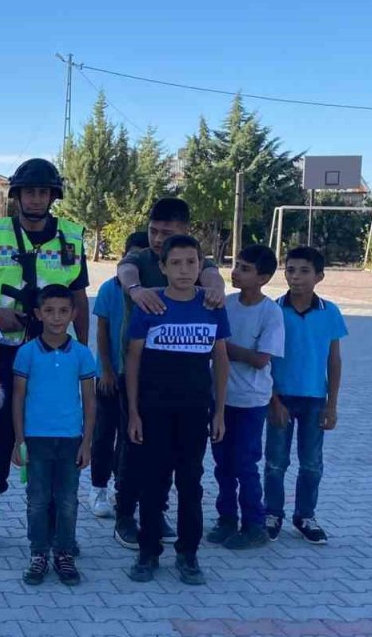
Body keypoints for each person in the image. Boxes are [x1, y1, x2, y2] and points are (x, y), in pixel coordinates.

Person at [0, 158, 89, 555]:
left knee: (53, 436)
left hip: (53, 356)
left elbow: (78, 298)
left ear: (53, 196)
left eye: (43, 191)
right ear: (17, 196)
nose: (36, 198)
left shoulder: (71, 238)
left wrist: (83, 351)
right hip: (2, 355)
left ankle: (55, 526)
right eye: (29, 191)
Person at [113, 197, 225, 549]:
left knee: (183, 470)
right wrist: (136, 290)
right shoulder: (144, 257)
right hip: (139, 374)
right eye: (154, 231)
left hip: (187, 392)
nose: (158, 238)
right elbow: (125, 271)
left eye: (167, 232)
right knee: (133, 452)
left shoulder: (194, 263)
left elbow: (209, 273)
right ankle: (125, 516)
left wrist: (216, 288)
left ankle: (160, 519)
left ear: (185, 231)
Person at [11, 285, 97, 586]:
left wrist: (87, 442)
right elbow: (18, 399)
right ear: (38, 314)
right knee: (36, 499)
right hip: (36, 439)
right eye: (49, 311)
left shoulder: (83, 355)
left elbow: (89, 400)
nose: (56, 318)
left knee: (67, 500)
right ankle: (38, 553)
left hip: (71, 439)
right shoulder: (26, 353)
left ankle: (63, 552)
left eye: (63, 311)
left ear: (73, 314)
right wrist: (18, 441)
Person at [265, 247, 346, 545]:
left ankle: (305, 515)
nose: (295, 277)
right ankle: (272, 513)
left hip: (314, 399)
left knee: (311, 463)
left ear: (319, 276)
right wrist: (273, 400)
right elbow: (266, 360)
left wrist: (332, 404)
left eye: (304, 271)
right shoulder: (274, 309)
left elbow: (334, 360)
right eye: (290, 270)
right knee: (275, 461)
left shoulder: (330, 312)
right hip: (280, 397)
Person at [207, 245, 285, 550]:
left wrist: (223, 349)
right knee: (222, 463)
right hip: (220, 399)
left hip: (251, 402)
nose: (236, 272)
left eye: (245, 268)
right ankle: (226, 518)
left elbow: (261, 359)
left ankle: (254, 524)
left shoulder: (271, 313)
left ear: (263, 277)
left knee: (245, 463)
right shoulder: (224, 304)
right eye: (236, 264)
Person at [89, 231, 150, 519]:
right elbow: (101, 332)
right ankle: (98, 487)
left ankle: (122, 488)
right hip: (110, 376)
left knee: (130, 437)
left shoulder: (152, 292)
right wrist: (107, 371)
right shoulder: (108, 289)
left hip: (138, 379)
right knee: (104, 434)